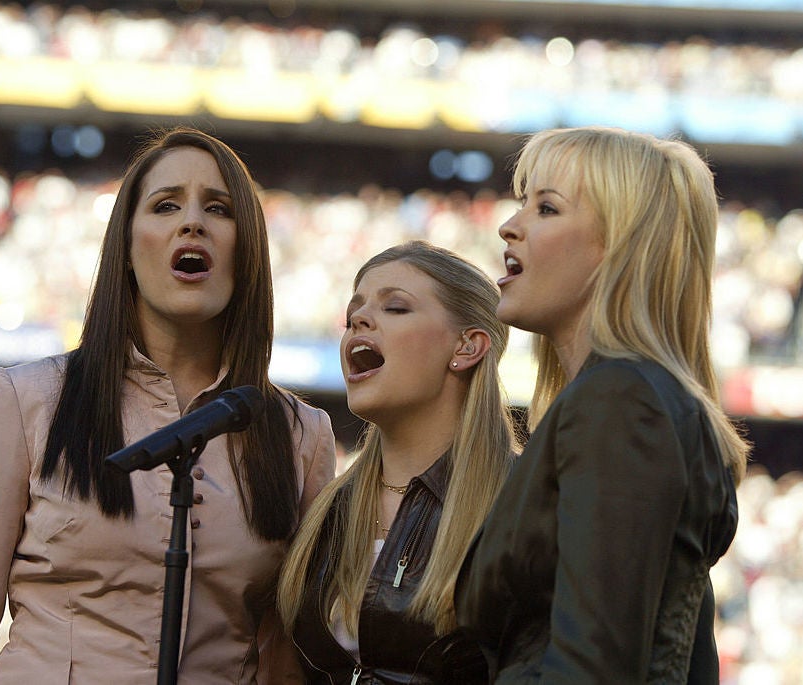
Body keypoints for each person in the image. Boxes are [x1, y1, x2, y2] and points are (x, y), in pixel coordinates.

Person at [0, 127, 336, 684]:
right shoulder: (24, 401)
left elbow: (289, 658)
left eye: (219, 208)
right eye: (165, 205)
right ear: (127, 250)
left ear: (247, 250)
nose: (192, 222)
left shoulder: (302, 435)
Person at [455, 126, 748, 683]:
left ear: (618, 248)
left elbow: (593, 666)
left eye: (546, 208)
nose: (509, 225)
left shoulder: (621, 400)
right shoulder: (634, 397)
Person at [276, 240, 519, 683]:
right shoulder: (328, 508)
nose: (358, 321)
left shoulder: (522, 500)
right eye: (354, 314)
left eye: (396, 308)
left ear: (467, 347)